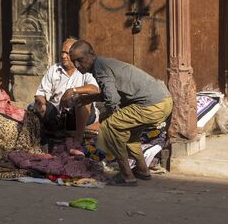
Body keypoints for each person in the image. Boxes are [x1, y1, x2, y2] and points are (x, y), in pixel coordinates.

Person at [67, 40, 173, 186]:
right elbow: (112, 94)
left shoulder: (100, 68)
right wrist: (88, 98)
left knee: (109, 128)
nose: (78, 66)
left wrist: (105, 118)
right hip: (164, 101)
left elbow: (113, 100)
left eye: (80, 60)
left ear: (92, 54)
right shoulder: (103, 64)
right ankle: (142, 170)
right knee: (131, 136)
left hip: (152, 105)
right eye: (74, 62)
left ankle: (127, 176)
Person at [34, 38, 100, 150]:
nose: (64, 56)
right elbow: (41, 93)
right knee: (37, 105)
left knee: (83, 99)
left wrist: (72, 91)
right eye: (62, 52)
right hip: (57, 117)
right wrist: (41, 103)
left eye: (67, 53)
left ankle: (78, 139)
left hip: (80, 117)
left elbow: (94, 89)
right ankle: (50, 135)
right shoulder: (54, 69)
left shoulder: (85, 69)